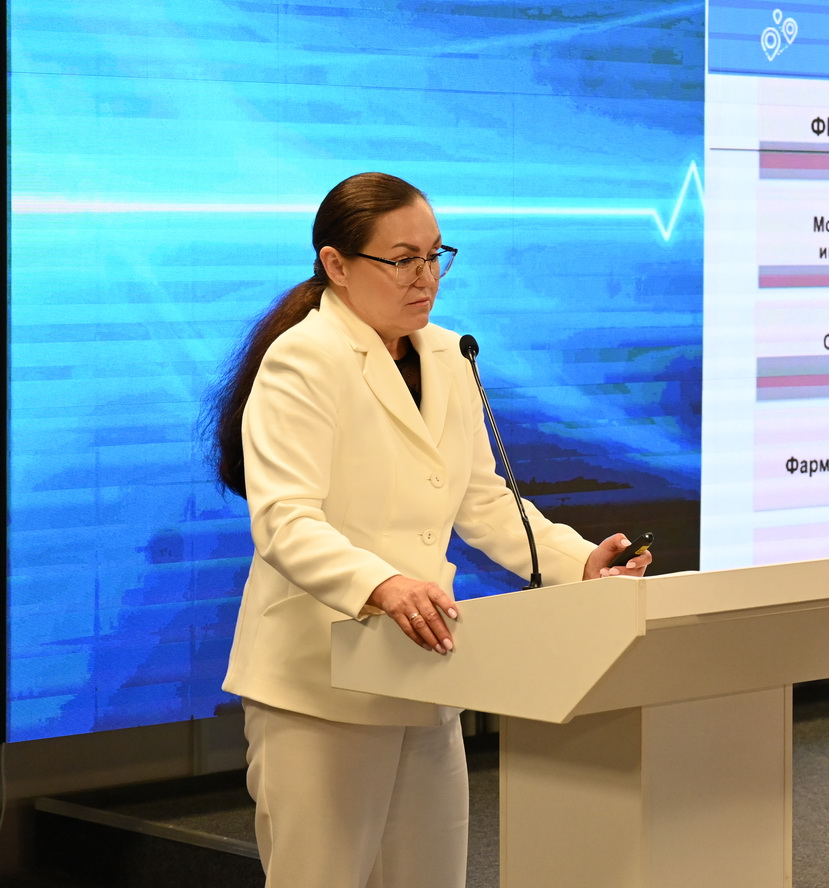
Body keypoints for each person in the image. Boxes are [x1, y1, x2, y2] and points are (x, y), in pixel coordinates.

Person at [205, 172, 650, 888]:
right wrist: (381, 584)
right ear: (336, 265)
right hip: (319, 680)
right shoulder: (303, 358)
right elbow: (284, 521)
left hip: (423, 668)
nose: (425, 277)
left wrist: (578, 564)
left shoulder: (448, 354)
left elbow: (481, 499)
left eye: (435, 255)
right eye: (402, 259)